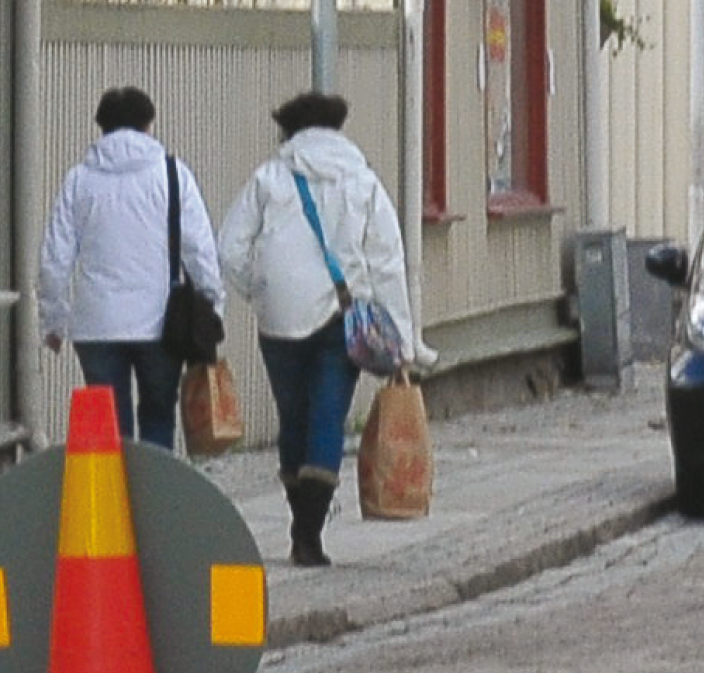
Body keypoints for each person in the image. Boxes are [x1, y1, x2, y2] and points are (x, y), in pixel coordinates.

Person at [215, 89, 422, 569]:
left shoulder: (269, 178)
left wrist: (259, 287)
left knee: (294, 419)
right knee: (327, 417)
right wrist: (404, 342)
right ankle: (308, 534)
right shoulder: (363, 183)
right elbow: (388, 262)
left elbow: (229, 248)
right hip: (341, 317)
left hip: (278, 318)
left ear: (290, 132)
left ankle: (300, 517)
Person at [36, 83, 222, 446]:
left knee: (110, 430)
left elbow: (55, 258)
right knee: (158, 415)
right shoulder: (172, 175)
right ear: (149, 125)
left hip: (97, 325)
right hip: (160, 324)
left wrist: (54, 319)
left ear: (100, 127)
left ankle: (115, 498)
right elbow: (199, 249)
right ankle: (152, 499)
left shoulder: (79, 180)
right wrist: (211, 304)